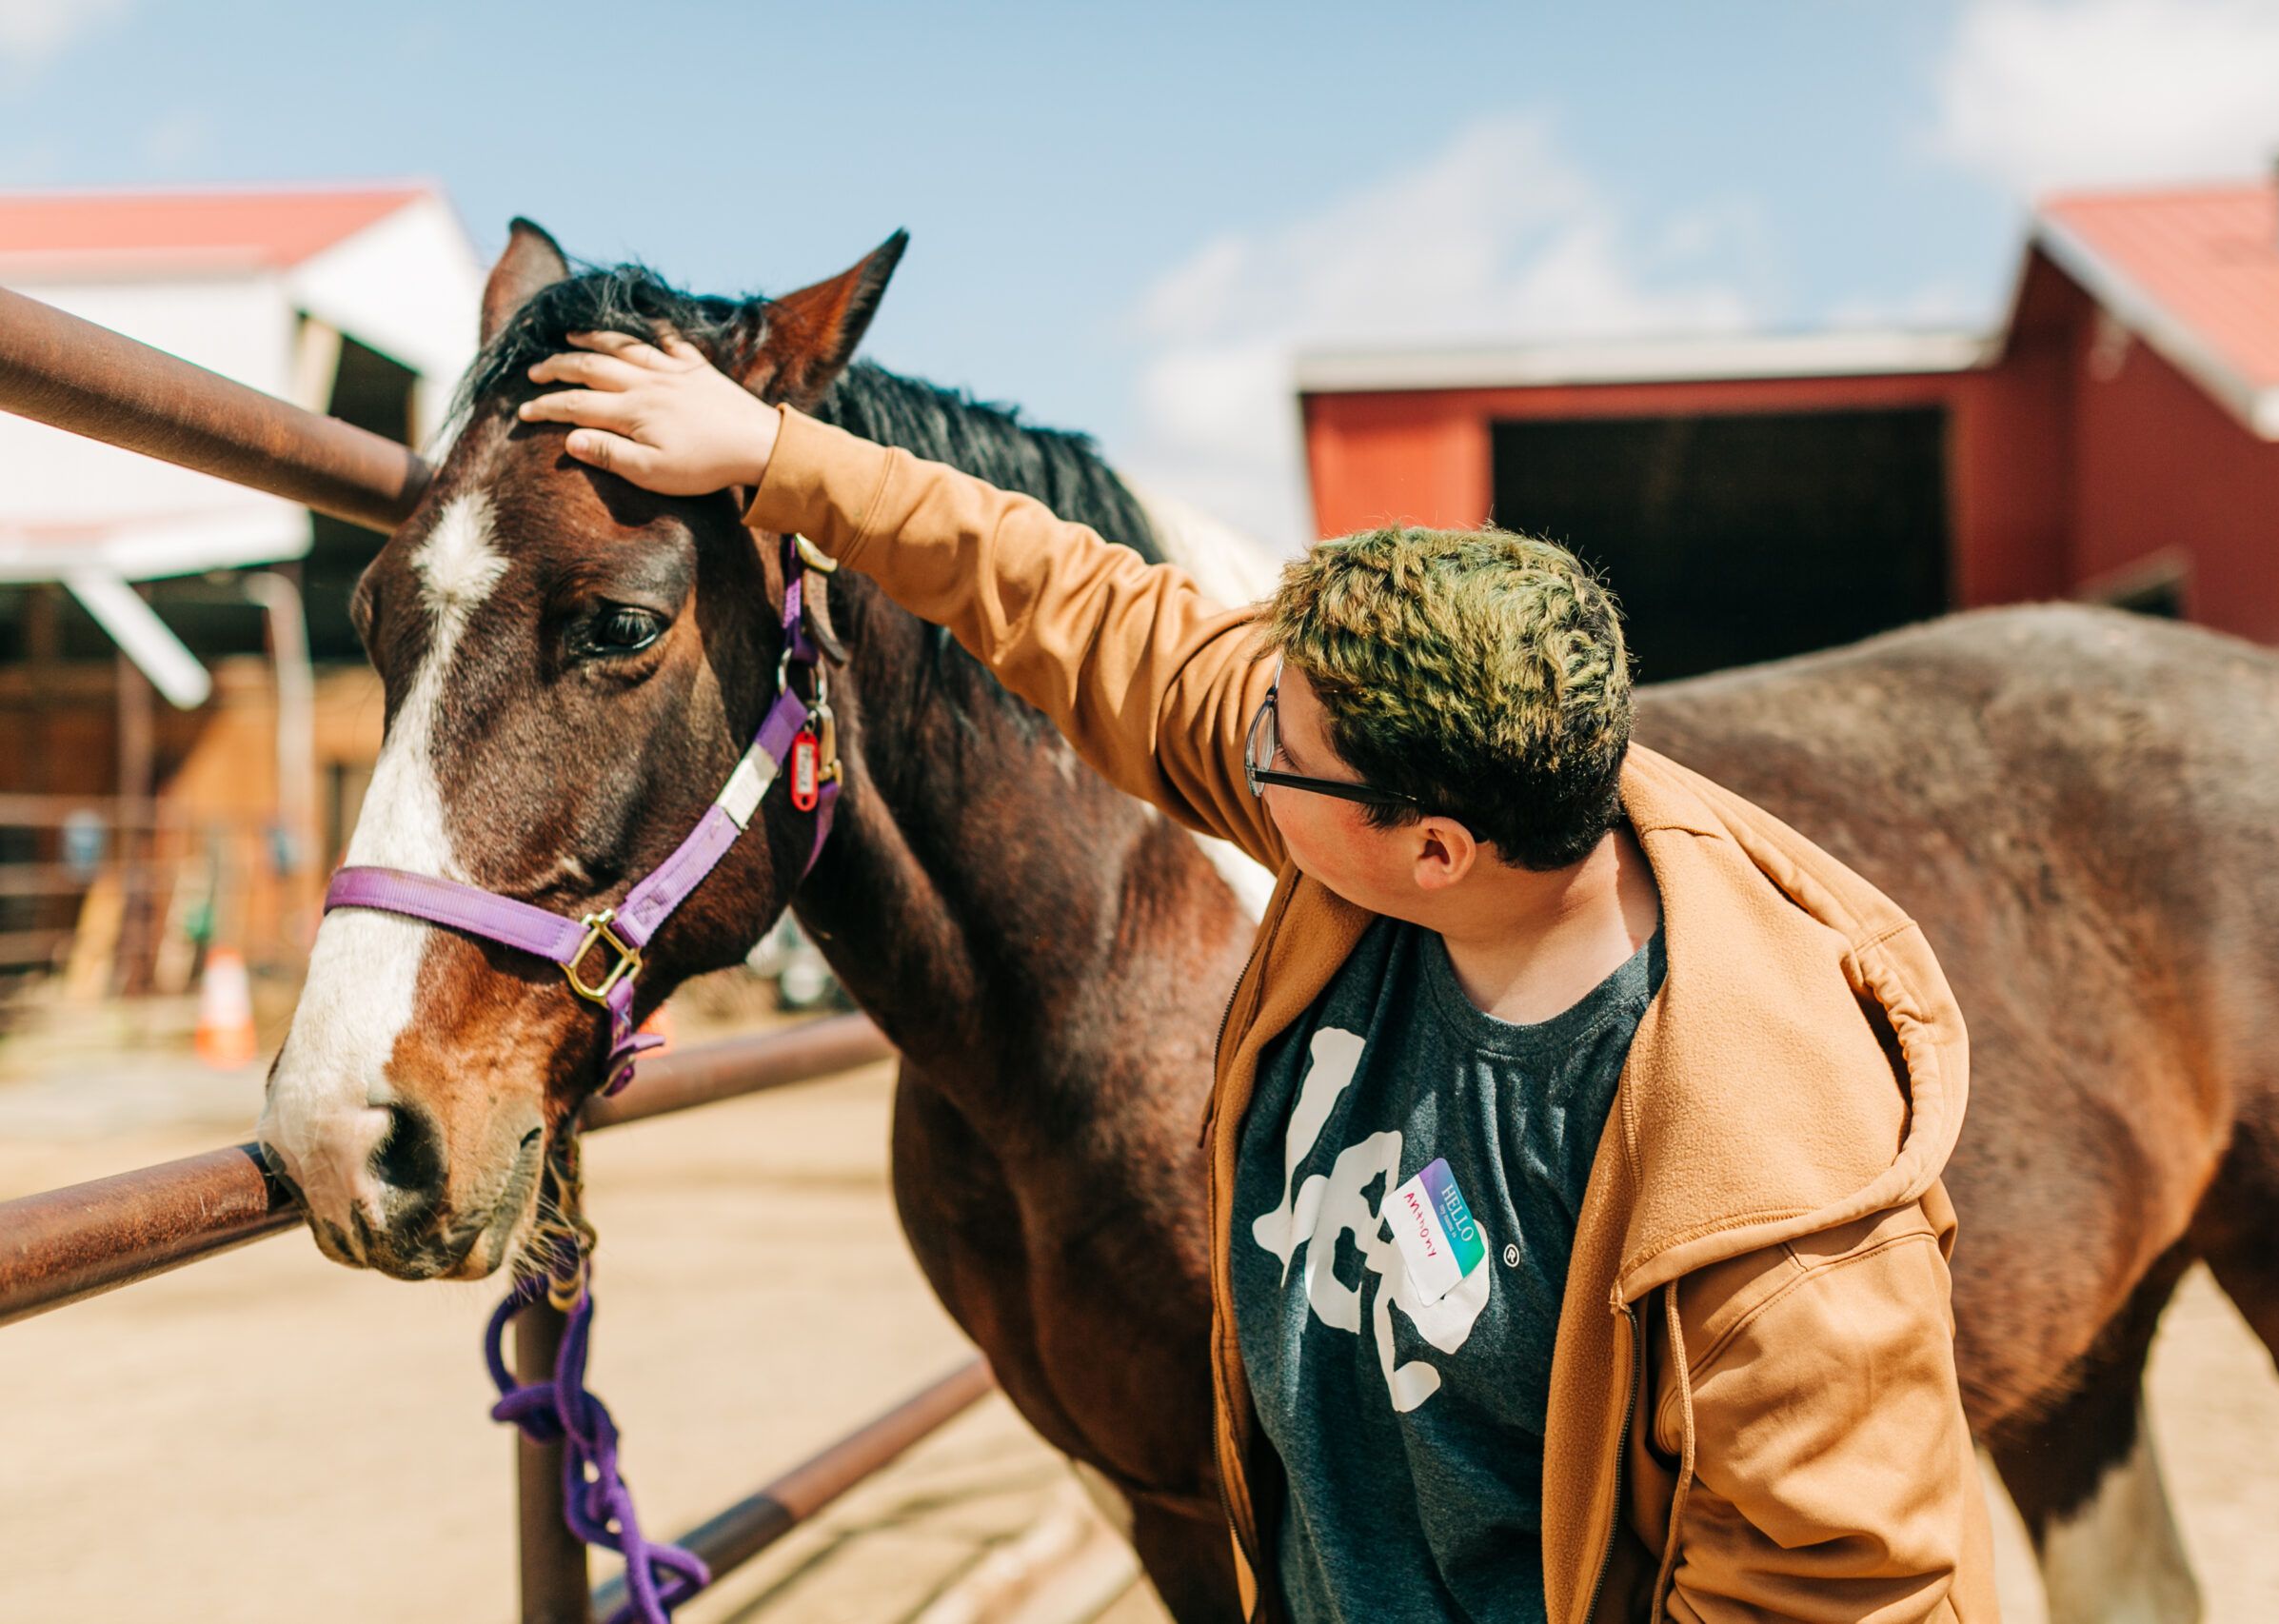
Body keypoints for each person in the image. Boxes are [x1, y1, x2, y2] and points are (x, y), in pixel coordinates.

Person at [519, 330, 1998, 1622]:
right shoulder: (1395, 851)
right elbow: (1084, 608)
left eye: (1279, 753)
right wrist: (776, 452)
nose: (1239, 754)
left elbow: (1841, 1591)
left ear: (1432, 849)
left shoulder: (1776, 1192)